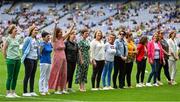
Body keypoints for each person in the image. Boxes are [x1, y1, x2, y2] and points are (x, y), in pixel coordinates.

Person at [48, 20, 74, 94]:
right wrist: (55, 25)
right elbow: (53, 34)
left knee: (64, 73)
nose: (61, 33)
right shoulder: (54, 40)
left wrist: (73, 25)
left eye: (61, 32)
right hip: (57, 58)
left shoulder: (62, 39)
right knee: (57, 73)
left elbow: (68, 33)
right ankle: (56, 89)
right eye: (59, 32)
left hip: (64, 58)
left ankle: (62, 89)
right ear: (57, 33)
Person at [2, 25, 21, 98]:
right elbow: (4, 49)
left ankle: (13, 92)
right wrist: (6, 58)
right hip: (11, 59)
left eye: (16, 29)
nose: (16, 30)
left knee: (15, 77)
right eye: (15, 29)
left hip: (17, 59)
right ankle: (8, 93)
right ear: (11, 30)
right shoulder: (8, 39)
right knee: (10, 76)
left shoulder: (17, 38)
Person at [21, 25, 40, 96]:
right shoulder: (28, 39)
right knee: (27, 75)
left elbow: (37, 49)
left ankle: (32, 91)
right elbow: (23, 49)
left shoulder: (37, 40)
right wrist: (24, 58)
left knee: (33, 76)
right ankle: (25, 92)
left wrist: (38, 57)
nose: (36, 31)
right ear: (31, 31)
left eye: (37, 30)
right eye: (35, 30)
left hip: (35, 59)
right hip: (28, 59)